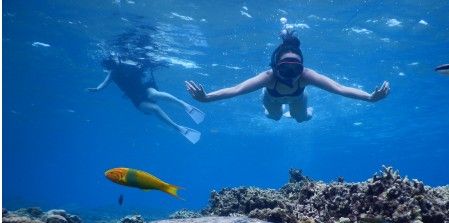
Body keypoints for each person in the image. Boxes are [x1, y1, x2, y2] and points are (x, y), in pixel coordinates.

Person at [186, 30, 390, 123]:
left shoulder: (307, 76)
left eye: (296, 68)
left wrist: (370, 98)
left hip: (299, 99)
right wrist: (207, 98)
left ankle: (304, 111)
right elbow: (236, 90)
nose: (292, 74)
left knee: (301, 119)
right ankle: (270, 110)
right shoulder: (267, 77)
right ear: (276, 67)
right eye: (286, 68)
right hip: (271, 98)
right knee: (274, 118)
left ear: (302, 67)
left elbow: (339, 88)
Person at [88, 55, 204, 144]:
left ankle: (184, 105)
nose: (115, 66)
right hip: (135, 97)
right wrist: (97, 89)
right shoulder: (112, 73)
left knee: (155, 94)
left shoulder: (126, 62)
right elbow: (104, 83)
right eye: (112, 65)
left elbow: (140, 64)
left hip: (144, 88)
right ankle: (179, 128)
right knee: (154, 108)